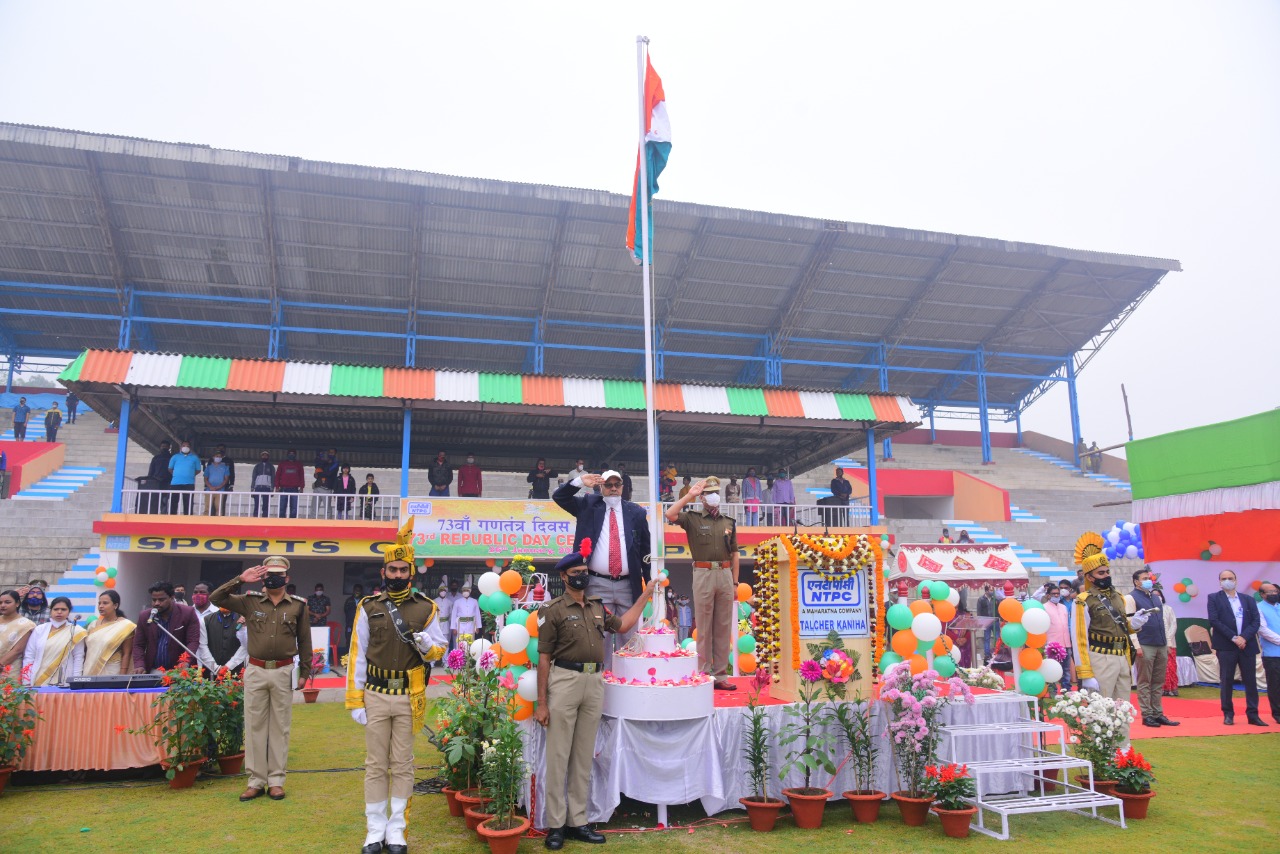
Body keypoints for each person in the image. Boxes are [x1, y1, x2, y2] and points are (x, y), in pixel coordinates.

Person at [534, 548, 656, 850]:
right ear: (564, 576)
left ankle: (578, 821)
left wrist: (645, 595)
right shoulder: (552, 609)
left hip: (594, 682)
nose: (582, 576)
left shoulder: (598, 608)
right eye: (576, 573)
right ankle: (555, 825)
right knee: (558, 756)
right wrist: (542, 702)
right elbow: (544, 658)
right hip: (564, 681)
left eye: (585, 571)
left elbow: (625, 626)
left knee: (583, 755)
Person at [346, 518, 446, 854]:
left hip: (409, 696)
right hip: (374, 695)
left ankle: (397, 830)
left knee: (403, 764)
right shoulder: (368, 607)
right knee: (375, 764)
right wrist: (355, 701)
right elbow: (357, 656)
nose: (398, 575)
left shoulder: (426, 608)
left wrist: (425, 644)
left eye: (404, 570)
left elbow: (440, 649)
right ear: (384, 572)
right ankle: (374, 831)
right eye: (393, 569)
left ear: (412, 572)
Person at [210, 555, 312, 801]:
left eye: (278, 574)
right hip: (255, 670)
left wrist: (305, 673)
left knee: (280, 727)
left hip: (283, 671)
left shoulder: (298, 605)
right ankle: (256, 781)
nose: (274, 578)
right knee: (255, 726)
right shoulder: (249, 601)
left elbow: (305, 640)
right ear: (263, 577)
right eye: (269, 574)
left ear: (287, 578)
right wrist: (240, 580)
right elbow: (217, 598)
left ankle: (276, 780)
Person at [554, 469, 652, 674]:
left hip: (628, 584)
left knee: (631, 637)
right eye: (609, 485)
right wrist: (580, 481)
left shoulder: (637, 512)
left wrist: (648, 582)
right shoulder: (588, 505)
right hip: (597, 584)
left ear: (623, 487)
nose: (613, 489)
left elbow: (645, 550)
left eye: (617, 485)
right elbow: (559, 496)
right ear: (601, 487)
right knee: (600, 637)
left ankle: (630, 682)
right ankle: (602, 686)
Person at [1071, 532, 1144, 746]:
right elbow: (1079, 638)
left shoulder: (1119, 597)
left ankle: (1122, 752)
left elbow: (1119, 627)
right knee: (1101, 712)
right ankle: (1102, 755)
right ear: (1090, 576)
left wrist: (1134, 626)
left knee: (1122, 711)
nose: (1106, 575)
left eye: (1107, 571)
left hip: (1122, 657)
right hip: (1100, 658)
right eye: (1101, 572)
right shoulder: (1083, 601)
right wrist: (1085, 673)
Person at [665, 476, 737, 691]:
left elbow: (734, 554)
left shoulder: (728, 522)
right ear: (703, 497)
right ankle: (704, 673)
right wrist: (690, 495)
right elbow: (670, 514)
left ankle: (721, 675)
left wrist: (735, 582)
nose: (713, 496)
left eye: (716, 492)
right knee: (704, 627)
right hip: (703, 572)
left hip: (725, 573)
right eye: (708, 493)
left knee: (723, 627)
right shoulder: (692, 518)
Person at [1207, 568, 1265, 726]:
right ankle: (1228, 714)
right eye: (1224, 578)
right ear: (1220, 582)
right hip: (1226, 645)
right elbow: (1214, 621)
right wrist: (1234, 637)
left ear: (1236, 580)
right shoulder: (1214, 598)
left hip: (1247, 645)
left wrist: (1244, 637)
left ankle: (1253, 714)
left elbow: (1255, 621)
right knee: (1226, 680)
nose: (1227, 580)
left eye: (1230, 578)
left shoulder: (1247, 599)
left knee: (1250, 681)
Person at [1125, 567, 1179, 728]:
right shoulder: (1131, 598)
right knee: (1144, 681)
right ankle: (1146, 714)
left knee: (1158, 681)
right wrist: (1136, 645)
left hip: (1160, 643)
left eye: (1149, 577)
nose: (1148, 580)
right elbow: (1129, 622)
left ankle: (1158, 712)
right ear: (1136, 581)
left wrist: (1167, 643)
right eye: (1144, 578)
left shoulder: (1155, 598)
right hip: (1145, 643)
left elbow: (1162, 621)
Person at [132, 581, 202, 674]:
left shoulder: (187, 613)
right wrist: (139, 664)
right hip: (154, 670)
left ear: (172, 598)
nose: (156, 603)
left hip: (181, 671)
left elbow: (193, 641)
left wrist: (185, 661)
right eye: (154, 600)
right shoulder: (145, 616)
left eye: (161, 600)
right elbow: (138, 644)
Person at [21, 597, 86, 684]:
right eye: (56, 609)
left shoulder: (76, 631)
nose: (59, 612)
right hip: (38, 678)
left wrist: (76, 681)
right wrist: (26, 681)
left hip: (65, 680)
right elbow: (29, 656)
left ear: (69, 611)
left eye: (63, 609)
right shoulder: (40, 629)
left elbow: (78, 657)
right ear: (50, 611)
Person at [83, 590, 136, 676]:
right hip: (89, 670)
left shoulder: (125, 625)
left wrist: (122, 677)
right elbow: (87, 651)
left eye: (105, 603)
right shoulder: (93, 625)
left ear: (115, 605)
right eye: (99, 603)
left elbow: (127, 653)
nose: (101, 606)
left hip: (112, 671)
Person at [198, 604, 247, 677]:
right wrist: (215, 668)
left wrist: (229, 666)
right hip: (210, 670)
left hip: (236, 670)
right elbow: (202, 645)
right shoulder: (206, 620)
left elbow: (245, 646)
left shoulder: (243, 620)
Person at [1256, 581, 1280, 724]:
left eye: (1275, 591)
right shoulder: (1258, 608)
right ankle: (1277, 713)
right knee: (1275, 685)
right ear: (1262, 594)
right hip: (1272, 655)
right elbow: (1263, 630)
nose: (1273, 594)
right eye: (1270, 592)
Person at [1043, 584, 1071, 690]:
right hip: (1053, 645)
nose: (1056, 596)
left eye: (1058, 594)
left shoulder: (1063, 607)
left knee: (1066, 669)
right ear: (1048, 595)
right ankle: (1052, 691)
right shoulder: (1044, 607)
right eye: (1053, 594)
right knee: (1052, 669)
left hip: (1066, 642)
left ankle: (1066, 691)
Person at [0, 590, 36, 670]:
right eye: (0, 603)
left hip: (9, 669)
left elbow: (17, 650)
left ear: (17, 603)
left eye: (7, 602)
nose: (2, 605)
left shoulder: (26, 625)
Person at [168, 441, 202, 514]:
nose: (185, 447)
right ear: (181, 447)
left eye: (187, 446)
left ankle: (188, 519)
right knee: (173, 502)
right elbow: (170, 468)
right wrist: (176, 475)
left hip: (189, 483)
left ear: (190, 448)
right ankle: (171, 518)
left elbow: (198, 470)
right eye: (184, 445)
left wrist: (190, 475)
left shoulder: (194, 458)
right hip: (175, 483)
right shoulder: (175, 457)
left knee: (188, 503)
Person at [275, 449, 306, 518]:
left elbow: (301, 475)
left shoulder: (299, 464)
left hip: (294, 489)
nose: (291, 455)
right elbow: (277, 475)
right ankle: (281, 523)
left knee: (294, 508)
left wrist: (301, 487)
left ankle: (293, 524)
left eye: (293, 454)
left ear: (295, 455)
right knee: (282, 507)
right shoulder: (282, 464)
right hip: (283, 488)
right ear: (287, 455)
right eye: (290, 453)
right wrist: (277, 486)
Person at [144, 439, 173, 513]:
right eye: (163, 446)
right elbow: (151, 471)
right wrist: (149, 480)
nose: (164, 448)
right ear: (160, 447)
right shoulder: (156, 458)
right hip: (156, 481)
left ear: (169, 448)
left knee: (165, 499)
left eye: (166, 446)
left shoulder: (172, 458)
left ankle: (163, 516)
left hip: (168, 482)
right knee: (155, 499)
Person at [204, 451, 231, 515]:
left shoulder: (225, 467)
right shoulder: (209, 467)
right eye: (217, 456)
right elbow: (205, 479)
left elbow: (226, 479)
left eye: (220, 457)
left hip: (220, 490)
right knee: (207, 508)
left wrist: (218, 487)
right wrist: (210, 487)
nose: (218, 458)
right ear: (213, 457)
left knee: (219, 508)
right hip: (209, 490)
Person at [251, 451, 276, 518]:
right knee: (256, 504)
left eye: (266, 456)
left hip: (267, 487)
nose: (264, 457)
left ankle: (265, 518)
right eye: (263, 455)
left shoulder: (271, 466)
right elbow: (254, 477)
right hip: (258, 487)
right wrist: (252, 488)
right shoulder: (257, 466)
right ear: (261, 456)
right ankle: (255, 517)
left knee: (265, 504)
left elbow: (273, 478)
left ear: (268, 457)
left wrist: (272, 488)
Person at [975, 584, 995, 661]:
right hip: (986, 621)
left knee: (997, 637)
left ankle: (996, 652)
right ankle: (987, 654)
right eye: (990, 590)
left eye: (992, 590)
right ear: (986, 591)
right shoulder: (981, 599)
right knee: (987, 638)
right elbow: (979, 611)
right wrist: (980, 621)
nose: (992, 592)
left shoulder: (995, 598)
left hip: (995, 621)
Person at [344, 583, 365, 648]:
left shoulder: (364, 600)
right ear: (353, 590)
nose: (357, 592)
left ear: (361, 591)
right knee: (349, 639)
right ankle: (349, 656)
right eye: (356, 590)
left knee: (360, 641)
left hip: (361, 624)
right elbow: (345, 611)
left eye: (359, 590)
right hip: (350, 624)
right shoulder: (348, 600)